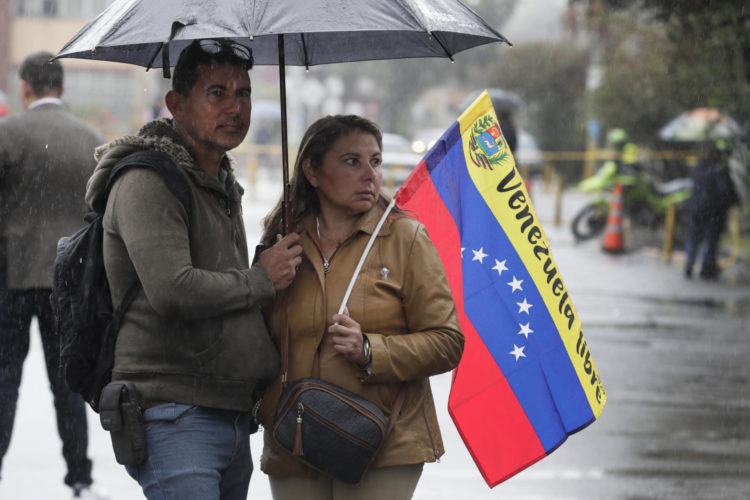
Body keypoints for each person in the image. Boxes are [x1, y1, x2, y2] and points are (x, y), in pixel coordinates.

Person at [84, 39, 302, 500]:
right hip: (175, 414)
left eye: (243, 94)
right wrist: (261, 278)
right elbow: (173, 290)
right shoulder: (148, 180)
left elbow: (226, 283)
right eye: (217, 93)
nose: (235, 108)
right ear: (177, 105)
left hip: (228, 412)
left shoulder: (221, 180)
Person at [258, 115, 465, 499]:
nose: (370, 174)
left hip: (384, 442)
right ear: (312, 170)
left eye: (376, 161)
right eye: (352, 161)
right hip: (295, 438)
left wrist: (371, 350)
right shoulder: (282, 240)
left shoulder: (406, 237)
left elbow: (448, 341)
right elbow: (259, 339)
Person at [0, 52, 106, 499]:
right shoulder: (91, 141)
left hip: (11, 278)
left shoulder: (7, 135)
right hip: (69, 284)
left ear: (25, 87)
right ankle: (79, 476)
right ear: (61, 87)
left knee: (4, 381)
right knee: (66, 384)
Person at [684, 139, 739, 279]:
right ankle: (706, 267)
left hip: (696, 208)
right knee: (710, 238)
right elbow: (724, 191)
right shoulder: (718, 170)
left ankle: (690, 262)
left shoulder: (697, 167)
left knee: (693, 237)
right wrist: (730, 202)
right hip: (712, 210)